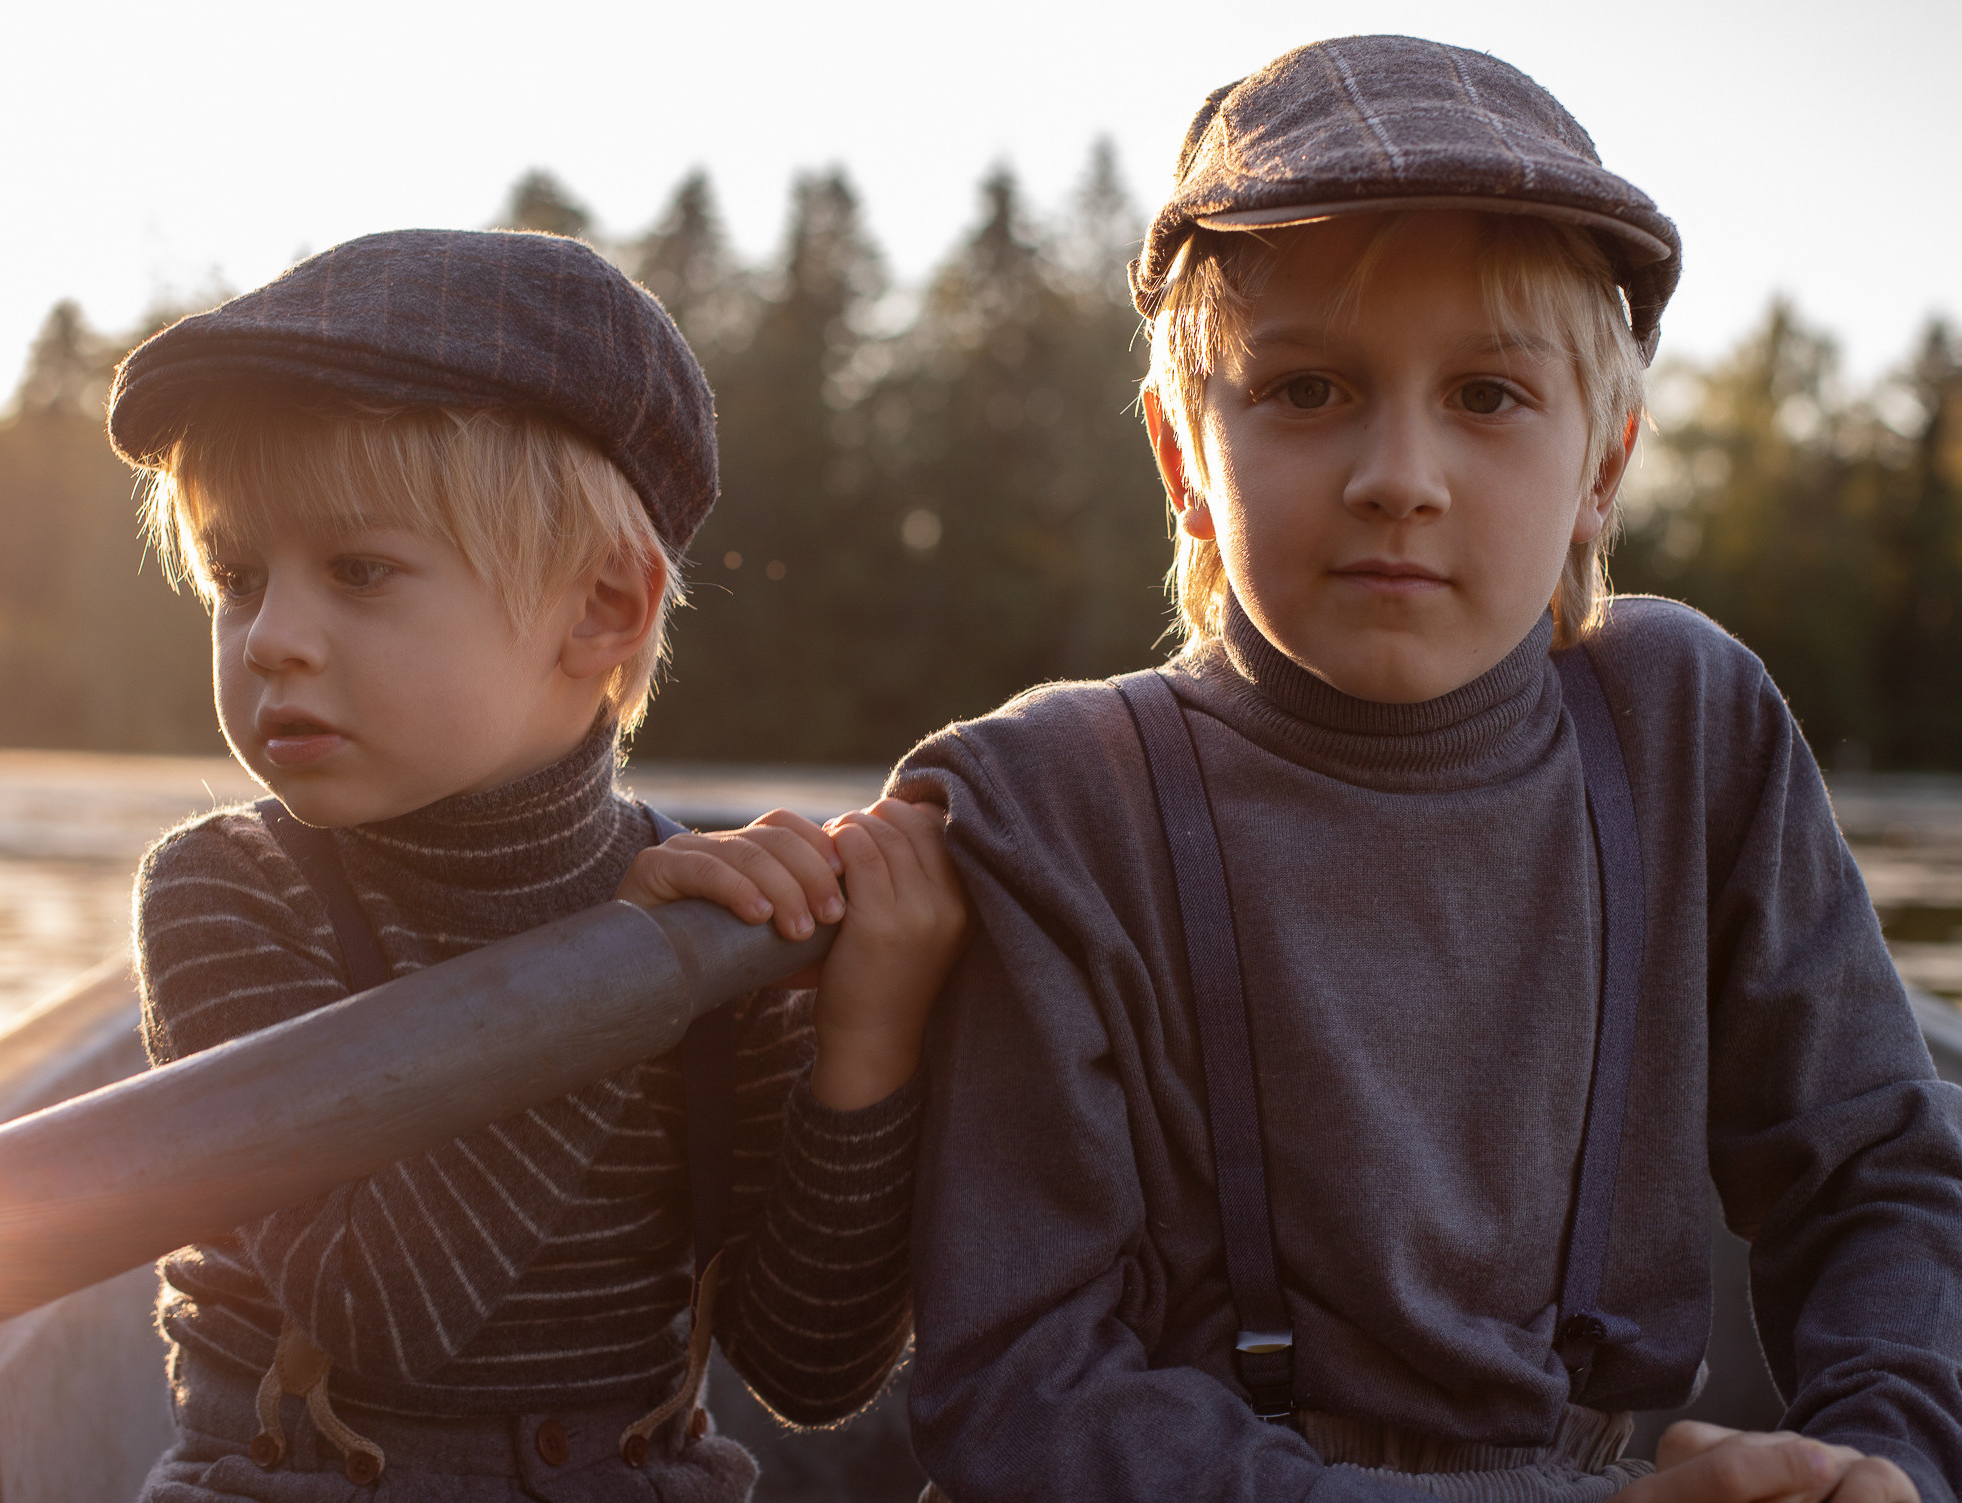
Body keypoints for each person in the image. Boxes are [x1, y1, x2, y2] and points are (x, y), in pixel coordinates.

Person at [896, 35, 1962, 1503]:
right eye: (1310, 389)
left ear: (1604, 466)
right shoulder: (1055, 803)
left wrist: (1882, 1455)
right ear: (1180, 458)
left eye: (1488, 395)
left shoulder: (1687, 720)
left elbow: (1879, 1175)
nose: (1401, 471)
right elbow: (1026, 1393)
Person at [107, 228, 968, 1501]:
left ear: (602, 610)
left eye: (359, 571)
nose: (274, 636)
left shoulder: (716, 916)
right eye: (238, 577)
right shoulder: (228, 896)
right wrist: (624, 970)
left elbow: (811, 1369)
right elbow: (375, 1312)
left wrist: (871, 1038)